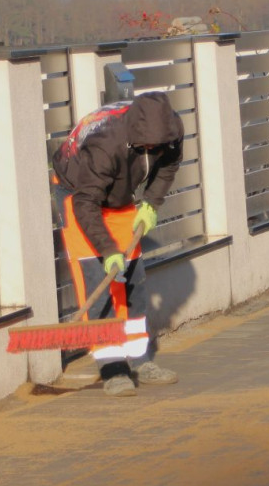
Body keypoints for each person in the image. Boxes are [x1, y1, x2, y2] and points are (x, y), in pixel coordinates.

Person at [52, 91, 183, 397]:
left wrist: (151, 203)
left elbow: (168, 167)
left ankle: (139, 359)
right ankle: (113, 368)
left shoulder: (171, 131)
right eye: (147, 144)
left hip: (120, 196)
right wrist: (107, 250)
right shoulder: (106, 145)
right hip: (78, 193)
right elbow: (86, 202)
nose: (153, 148)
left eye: (157, 144)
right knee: (99, 277)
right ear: (135, 134)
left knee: (133, 278)